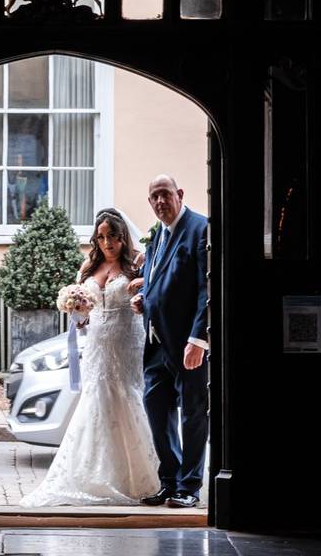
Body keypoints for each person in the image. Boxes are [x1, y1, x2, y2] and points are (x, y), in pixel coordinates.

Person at [19, 208, 159, 506]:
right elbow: (82, 321)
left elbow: (154, 297)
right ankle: (94, 474)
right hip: (97, 344)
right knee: (96, 400)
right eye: (102, 237)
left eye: (113, 237)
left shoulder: (138, 263)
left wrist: (142, 293)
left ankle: (140, 478)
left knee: (127, 396)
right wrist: (77, 308)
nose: (107, 243)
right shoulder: (87, 267)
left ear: (123, 237)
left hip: (126, 341)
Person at [130, 174, 209, 509]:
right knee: (156, 409)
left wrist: (199, 338)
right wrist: (144, 296)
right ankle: (169, 481)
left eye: (165, 195)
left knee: (192, 413)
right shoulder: (157, 235)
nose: (160, 202)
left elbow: (208, 288)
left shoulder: (200, 229)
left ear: (179, 193)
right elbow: (158, 278)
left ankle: (189, 487)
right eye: (154, 197)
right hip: (155, 342)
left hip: (187, 342)